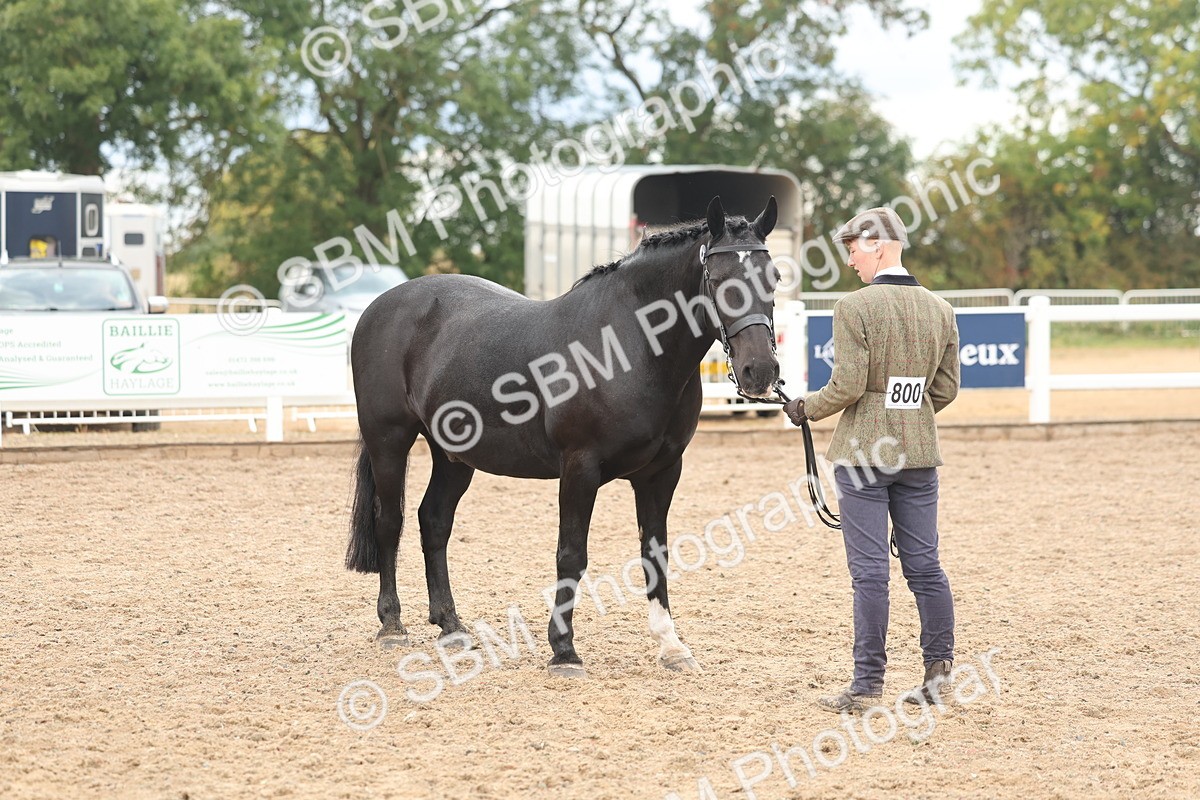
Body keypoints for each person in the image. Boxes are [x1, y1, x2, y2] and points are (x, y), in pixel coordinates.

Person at [784, 207, 961, 713]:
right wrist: (910, 415)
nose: (851, 262)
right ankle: (939, 669)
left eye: (854, 250)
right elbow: (944, 389)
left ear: (879, 246)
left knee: (869, 573)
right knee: (924, 564)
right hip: (919, 455)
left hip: (863, 456)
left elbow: (847, 386)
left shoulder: (854, 308)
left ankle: (866, 686)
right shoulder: (941, 310)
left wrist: (804, 409)